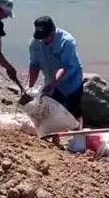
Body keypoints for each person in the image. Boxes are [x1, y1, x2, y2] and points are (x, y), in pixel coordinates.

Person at [27, 16, 84, 145]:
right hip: (50, 78)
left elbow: (64, 66)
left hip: (71, 80)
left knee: (75, 109)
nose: (43, 40)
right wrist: (30, 86)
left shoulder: (67, 41)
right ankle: (55, 141)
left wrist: (53, 84)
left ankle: (78, 138)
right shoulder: (36, 42)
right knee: (50, 111)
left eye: (46, 36)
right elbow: (34, 65)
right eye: (41, 36)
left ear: (53, 31)